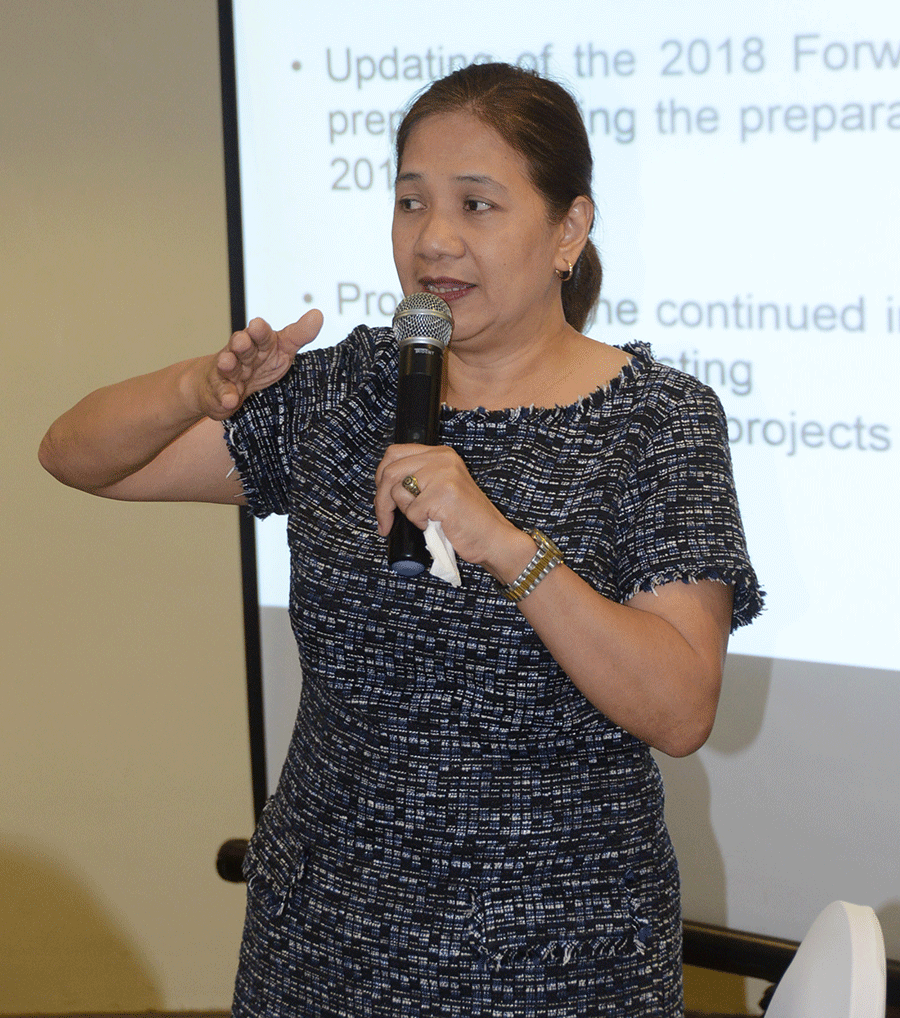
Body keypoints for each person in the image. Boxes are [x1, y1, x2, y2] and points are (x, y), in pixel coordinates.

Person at [40, 62, 762, 1017]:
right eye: (411, 202)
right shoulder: (349, 392)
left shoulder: (656, 421)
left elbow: (680, 709)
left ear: (569, 231)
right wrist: (198, 387)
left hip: (556, 962)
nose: (435, 241)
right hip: (322, 946)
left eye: (477, 204)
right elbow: (79, 456)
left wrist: (502, 542)